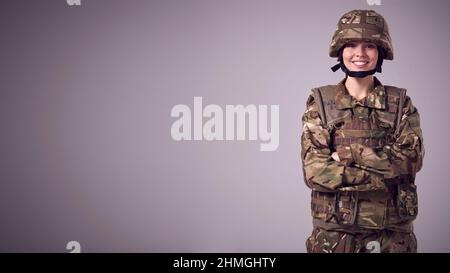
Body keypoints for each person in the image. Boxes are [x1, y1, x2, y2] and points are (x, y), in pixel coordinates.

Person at [301, 9, 424, 253]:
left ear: (380, 52)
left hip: (392, 238)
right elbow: (315, 171)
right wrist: (380, 177)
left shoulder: (400, 103)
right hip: (335, 237)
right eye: (351, 45)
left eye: (369, 45)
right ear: (340, 50)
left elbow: (411, 159)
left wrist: (351, 155)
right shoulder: (321, 103)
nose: (360, 53)